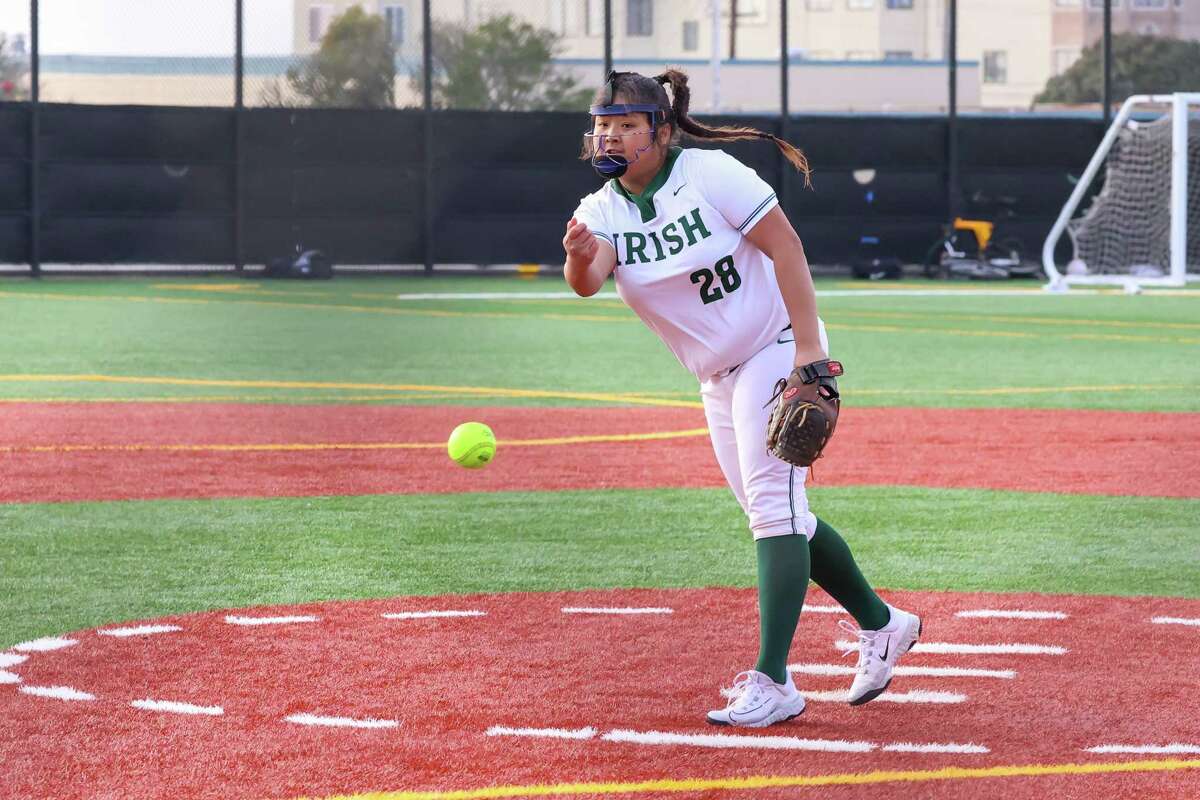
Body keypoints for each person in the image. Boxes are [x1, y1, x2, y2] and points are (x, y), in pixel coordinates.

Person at [562, 69, 922, 728]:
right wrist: (577, 257)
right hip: (716, 376)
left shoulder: (710, 174)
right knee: (783, 514)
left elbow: (786, 248)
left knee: (771, 510)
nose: (609, 134)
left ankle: (774, 680)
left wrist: (810, 352)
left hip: (774, 346)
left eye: (625, 123)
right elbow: (589, 281)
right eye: (602, 123)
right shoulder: (600, 210)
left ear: (660, 132)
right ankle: (884, 622)